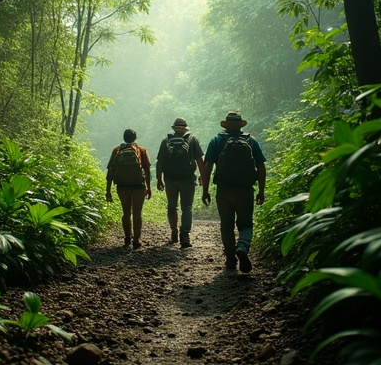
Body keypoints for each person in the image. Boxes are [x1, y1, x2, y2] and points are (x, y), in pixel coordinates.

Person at [202, 111, 266, 272]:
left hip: (224, 190)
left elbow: (207, 167)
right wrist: (261, 190)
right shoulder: (251, 141)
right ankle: (242, 248)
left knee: (226, 225)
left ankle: (230, 258)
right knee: (245, 225)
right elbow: (261, 167)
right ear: (240, 125)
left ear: (226, 125)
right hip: (245, 190)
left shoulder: (216, 140)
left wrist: (205, 190)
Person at [156, 117, 204, 248]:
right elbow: (200, 160)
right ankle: (185, 236)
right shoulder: (192, 140)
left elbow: (159, 162)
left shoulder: (166, 141)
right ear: (185, 129)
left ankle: (174, 231)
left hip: (170, 179)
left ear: (174, 128)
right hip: (187, 179)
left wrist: (159, 179)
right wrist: (202, 177)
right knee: (186, 207)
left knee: (171, 206)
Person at [106, 129, 152, 249]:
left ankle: (127, 238)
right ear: (135, 138)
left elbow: (110, 170)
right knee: (137, 214)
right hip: (139, 186)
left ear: (124, 137)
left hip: (122, 186)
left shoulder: (117, 150)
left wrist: (108, 190)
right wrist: (149, 187)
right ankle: (136, 240)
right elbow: (147, 171)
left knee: (126, 213)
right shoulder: (141, 151)